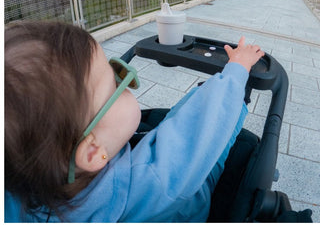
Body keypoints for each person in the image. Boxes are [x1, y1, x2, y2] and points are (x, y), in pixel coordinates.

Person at [5, 21, 264, 222]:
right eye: (117, 82)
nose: (128, 79)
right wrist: (236, 70)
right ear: (94, 152)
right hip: (183, 207)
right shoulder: (151, 179)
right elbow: (197, 132)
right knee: (211, 145)